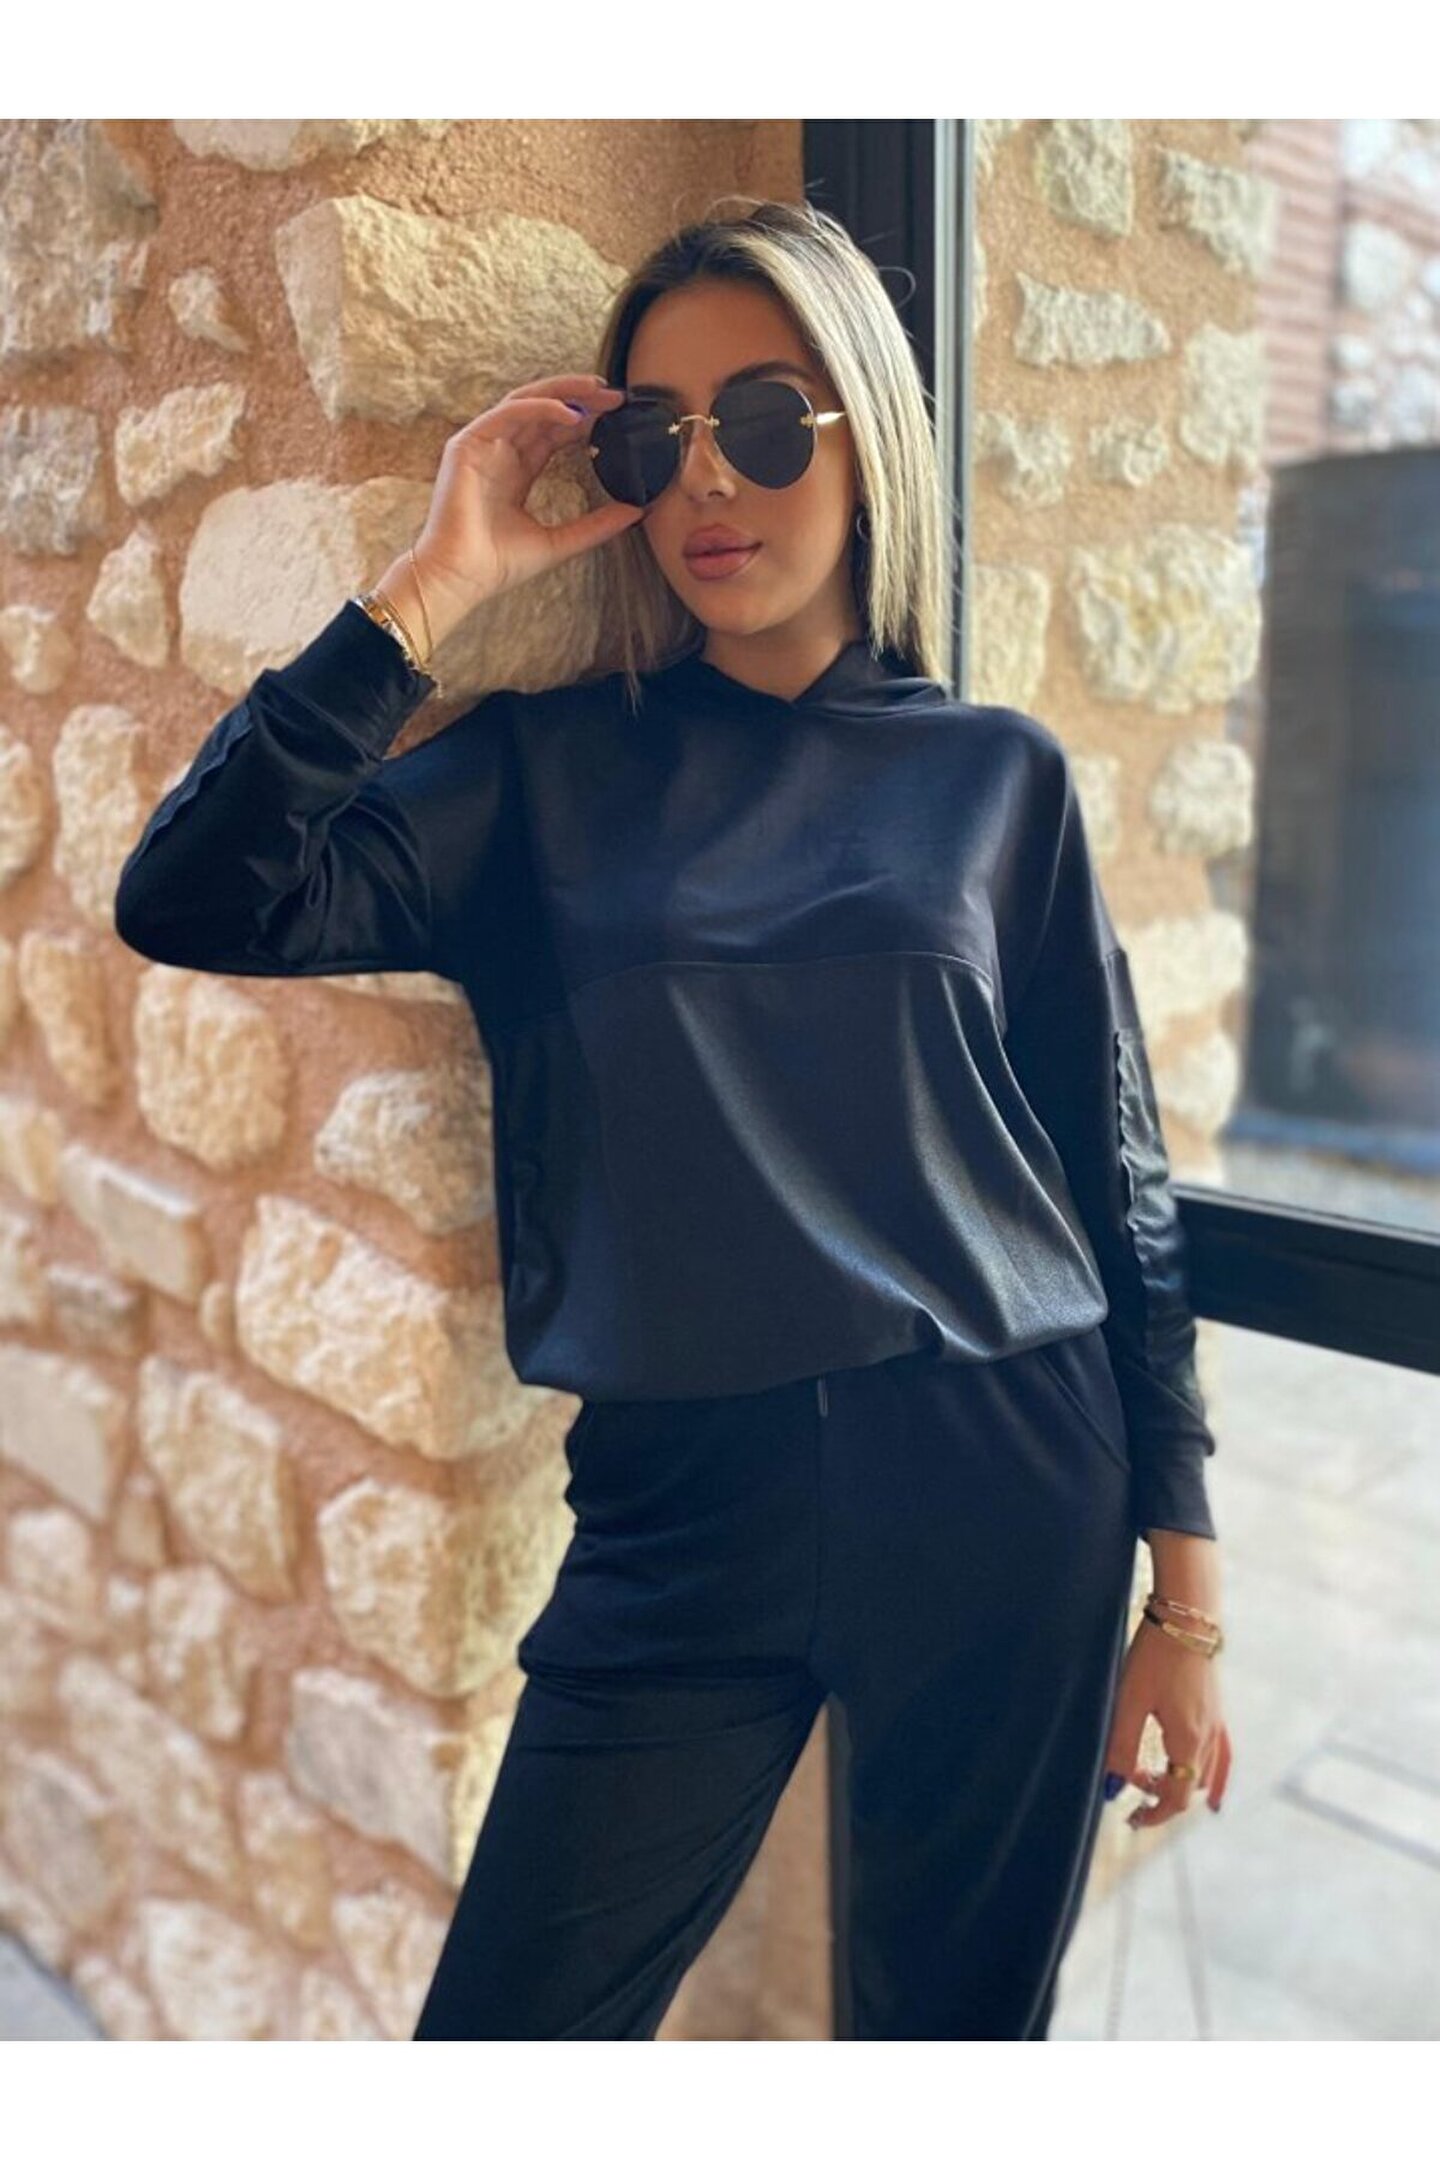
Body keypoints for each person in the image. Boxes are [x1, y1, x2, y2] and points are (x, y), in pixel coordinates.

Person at [113, 196, 1232, 2041]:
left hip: (1003, 1477)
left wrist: (1184, 1599)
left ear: (868, 443)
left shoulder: (997, 780)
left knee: (954, 2042)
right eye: (655, 436)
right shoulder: (543, 775)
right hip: (677, 1517)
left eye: (769, 422)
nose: (710, 478)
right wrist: (435, 582)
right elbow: (191, 894)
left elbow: (1116, 1183)